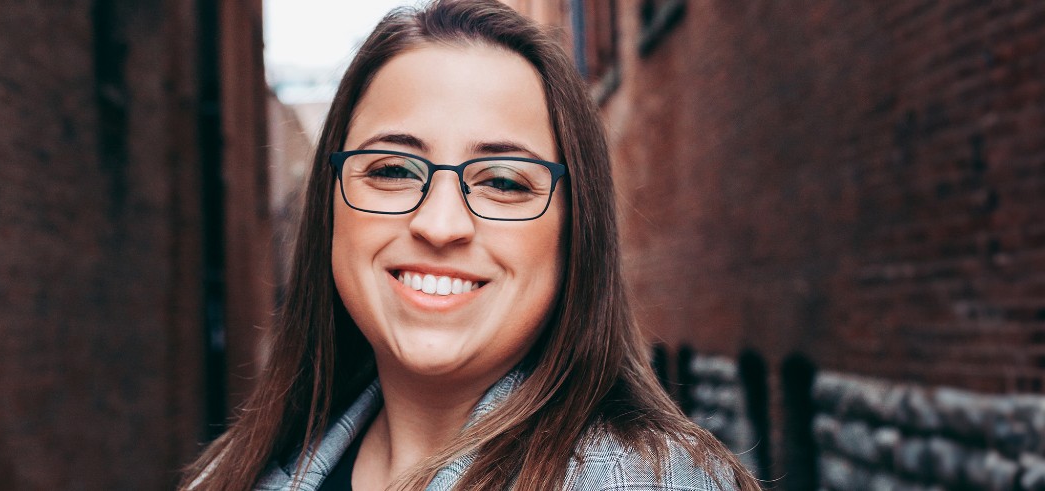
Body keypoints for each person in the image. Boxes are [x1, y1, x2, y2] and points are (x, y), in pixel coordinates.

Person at [183, 1, 762, 489]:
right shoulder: (234, 474)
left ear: (574, 232)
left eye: (504, 181)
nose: (439, 225)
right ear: (329, 208)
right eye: (392, 170)